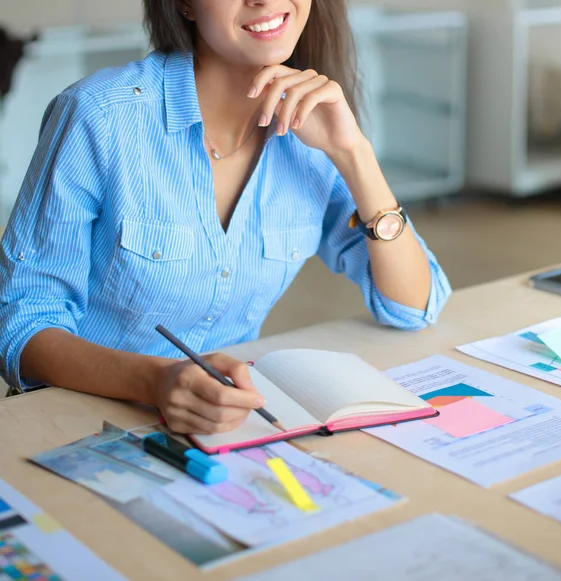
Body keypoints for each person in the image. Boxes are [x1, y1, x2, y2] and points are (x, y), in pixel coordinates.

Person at [0, 0, 451, 434]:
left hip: (226, 425)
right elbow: (22, 326)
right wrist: (156, 381)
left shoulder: (314, 129)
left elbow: (412, 307)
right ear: (185, 3)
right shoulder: (100, 115)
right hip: (77, 423)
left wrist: (353, 153)